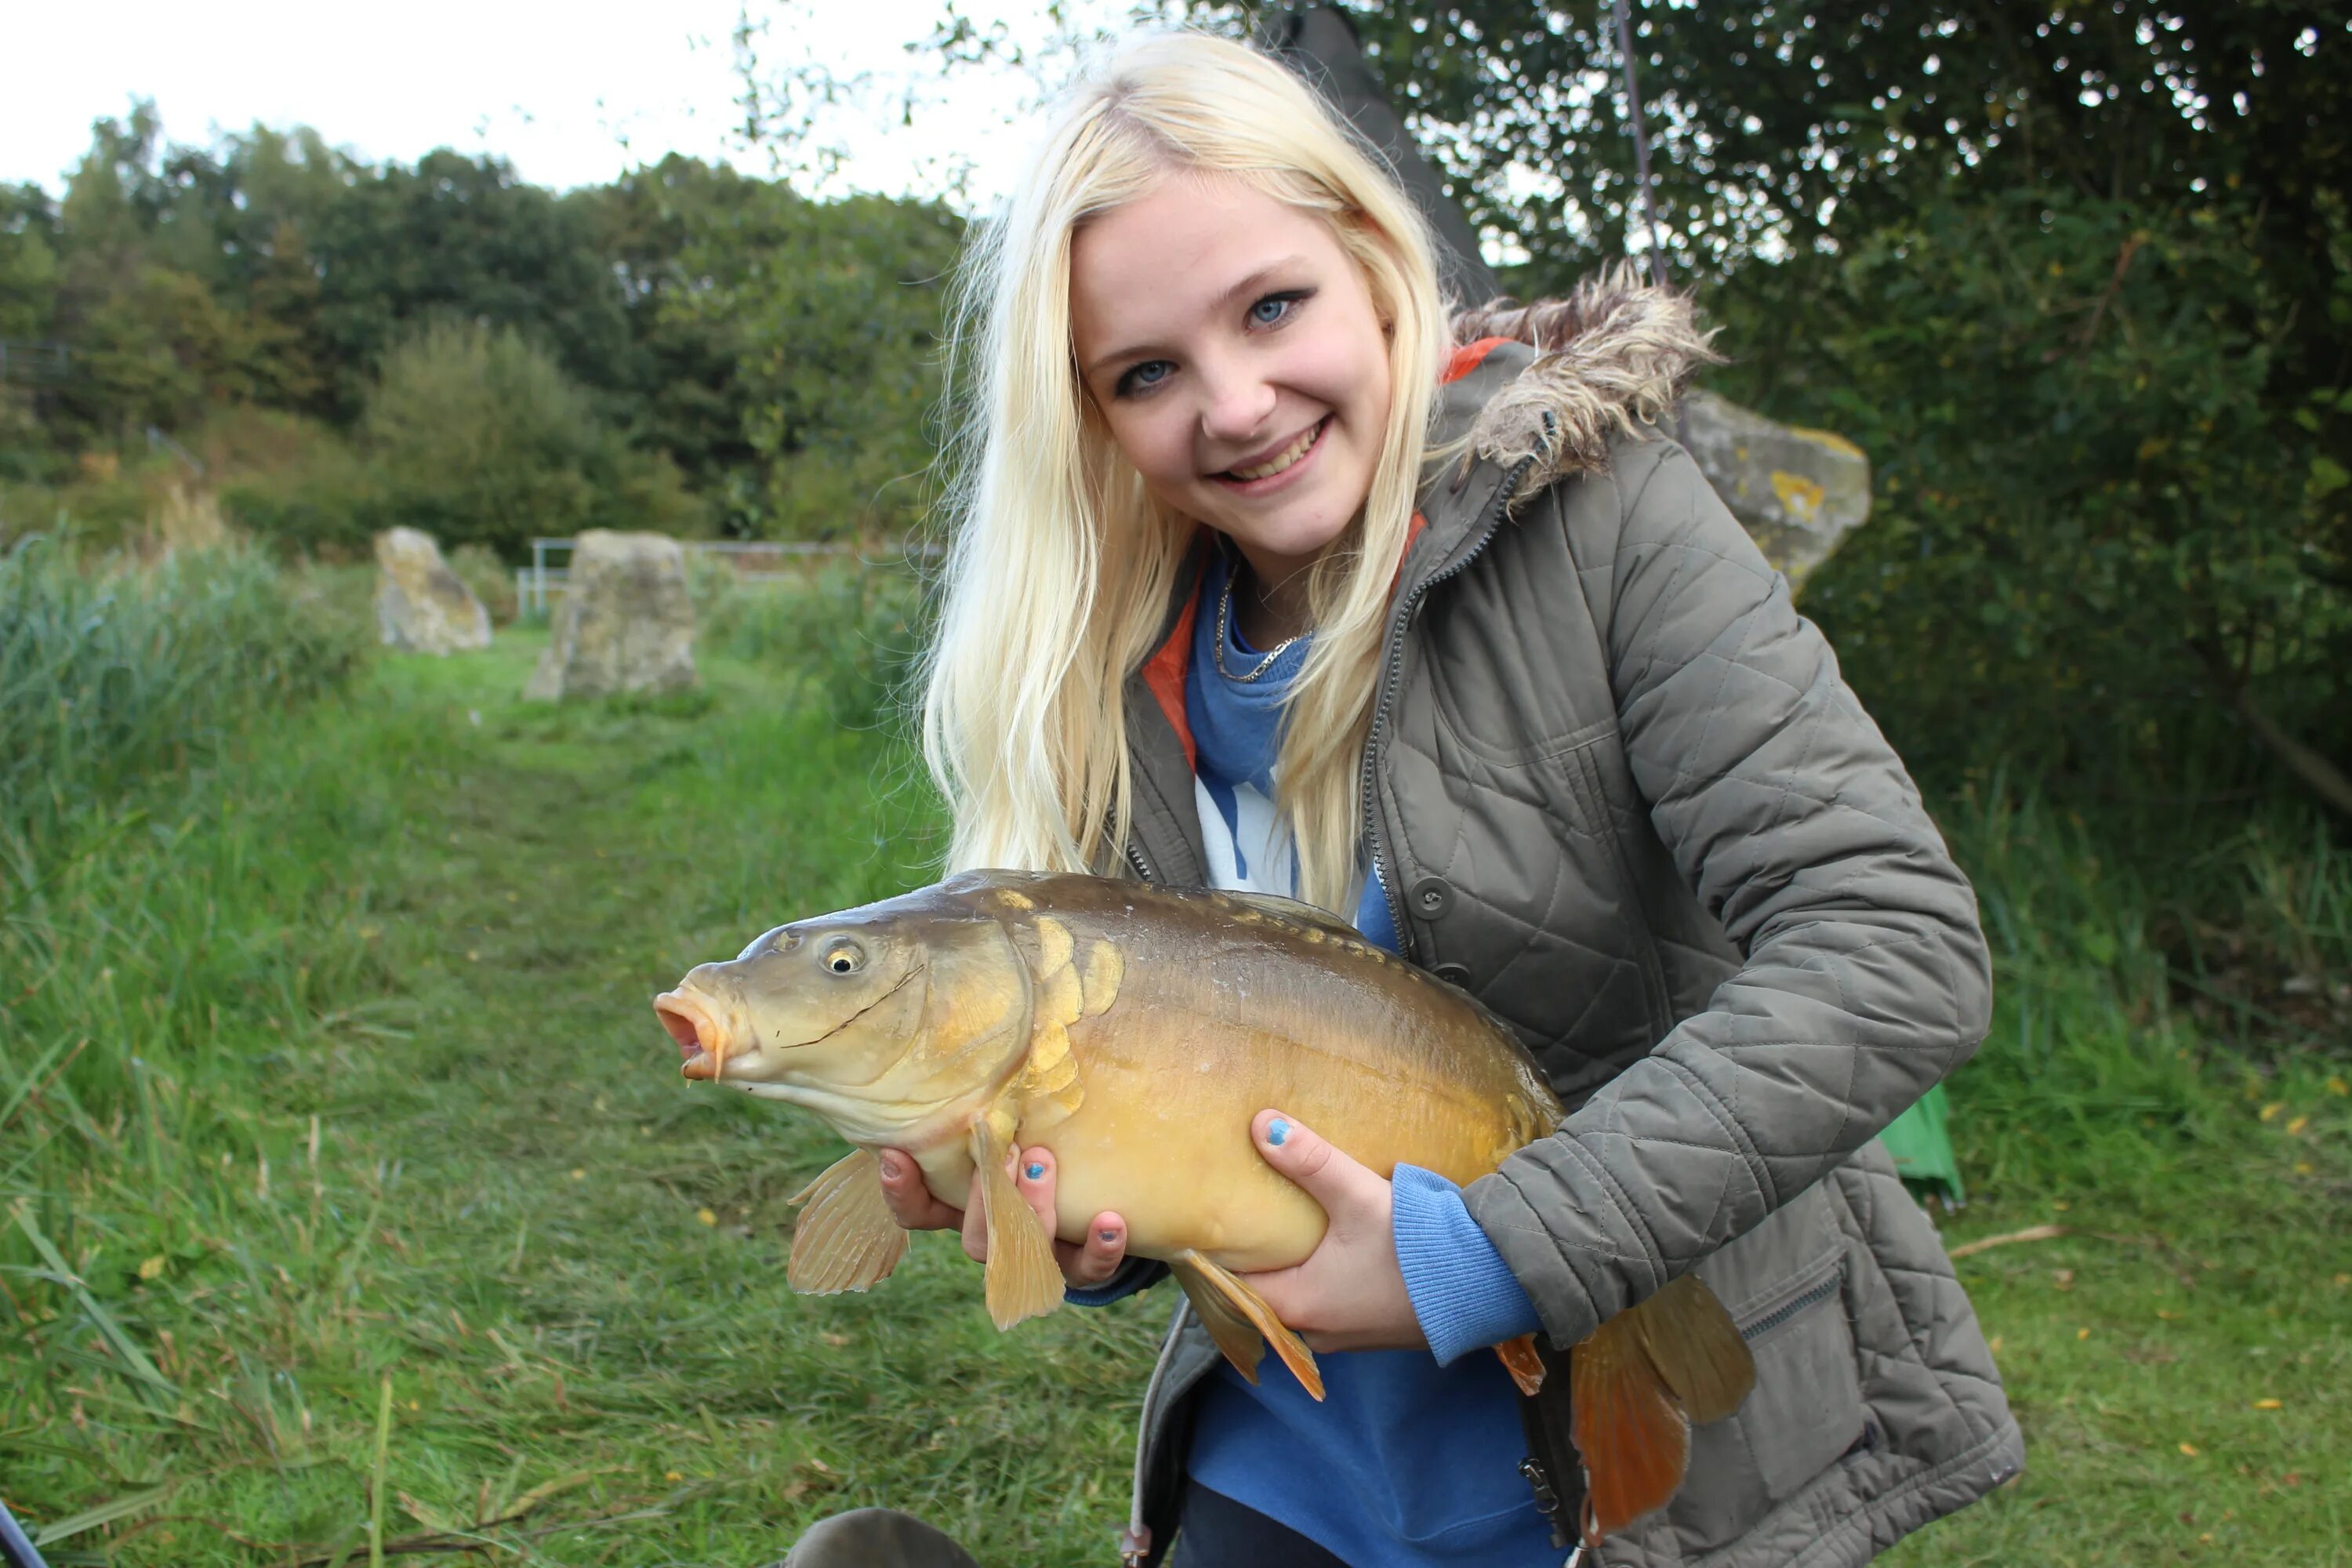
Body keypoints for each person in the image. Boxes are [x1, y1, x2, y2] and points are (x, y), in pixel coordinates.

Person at [851, 29, 2020, 1568]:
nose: (1237, 403)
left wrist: (1482, 1252)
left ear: (1371, 253)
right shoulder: (1105, 673)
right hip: (1284, 1462)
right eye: (1147, 373)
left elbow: (1897, 944)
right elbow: (1164, 1147)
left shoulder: (1609, 521)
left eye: (1272, 307)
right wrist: (1074, 1219)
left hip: (1616, 1480)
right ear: (1086, 416)